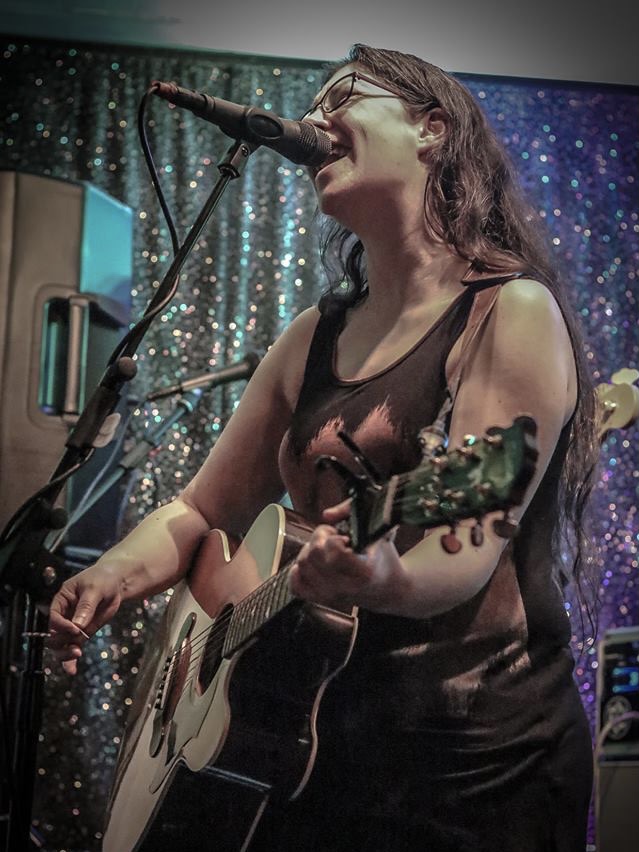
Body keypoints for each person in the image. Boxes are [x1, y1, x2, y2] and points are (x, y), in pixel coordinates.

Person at [48, 44, 599, 852]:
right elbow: (203, 508)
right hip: (311, 751)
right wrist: (109, 576)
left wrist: (384, 576)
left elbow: (467, 546)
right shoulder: (313, 334)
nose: (313, 121)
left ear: (431, 130)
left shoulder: (507, 310)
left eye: (342, 97)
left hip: (474, 768)